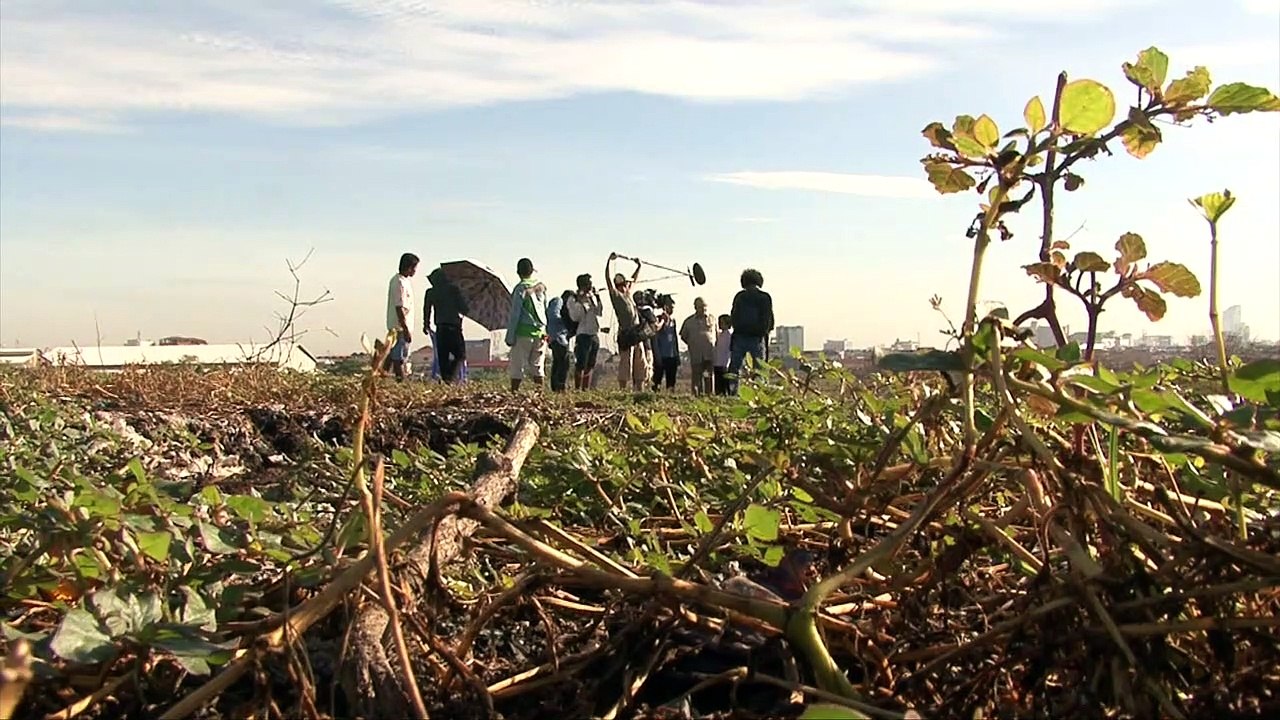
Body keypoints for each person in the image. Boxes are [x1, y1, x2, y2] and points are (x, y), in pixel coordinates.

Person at [605, 253, 652, 391]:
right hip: (626, 333)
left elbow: (634, 280)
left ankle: (639, 389)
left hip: (636, 332)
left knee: (640, 362)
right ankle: (623, 390)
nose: (626, 285)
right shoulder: (616, 295)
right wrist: (609, 261)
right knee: (626, 363)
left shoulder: (627, 294)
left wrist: (639, 266)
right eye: (623, 284)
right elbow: (607, 279)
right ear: (619, 285)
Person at [504, 258, 548, 391]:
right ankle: (539, 397)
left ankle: (514, 394)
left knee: (518, 367)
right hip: (540, 332)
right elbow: (544, 310)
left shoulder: (520, 289)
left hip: (523, 333)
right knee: (538, 368)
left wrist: (510, 337)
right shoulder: (541, 287)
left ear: (518, 272)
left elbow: (515, 314)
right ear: (532, 271)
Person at [728, 268, 774, 393]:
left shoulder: (740, 297)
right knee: (759, 369)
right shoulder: (765, 298)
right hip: (757, 338)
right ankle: (760, 393)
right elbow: (769, 320)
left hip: (740, 337)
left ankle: (733, 393)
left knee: (735, 368)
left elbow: (734, 316)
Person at [423, 267, 470, 384]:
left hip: (441, 329)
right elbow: (465, 309)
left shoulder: (430, 292)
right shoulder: (454, 290)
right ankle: (451, 378)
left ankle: (447, 380)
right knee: (460, 355)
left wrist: (426, 324)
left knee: (443, 358)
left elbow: (426, 310)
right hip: (454, 328)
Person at [567, 273, 605, 390]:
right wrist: (582, 301)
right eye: (588, 284)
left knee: (590, 364)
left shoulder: (591, 296)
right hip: (583, 334)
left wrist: (597, 297)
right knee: (581, 364)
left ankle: (585, 389)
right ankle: (578, 388)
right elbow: (575, 317)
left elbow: (599, 312)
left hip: (593, 333)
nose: (590, 286)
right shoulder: (573, 298)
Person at [385, 252, 418, 381]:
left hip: (401, 325)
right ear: (409, 267)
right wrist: (405, 329)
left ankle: (380, 379)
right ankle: (401, 382)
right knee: (398, 358)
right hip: (399, 327)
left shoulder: (404, 281)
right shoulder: (399, 282)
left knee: (391, 356)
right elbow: (400, 307)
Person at [680, 297, 716, 396]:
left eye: (704, 307)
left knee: (708, 376)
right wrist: (692, 343)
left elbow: (716, 334)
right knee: (697, 376)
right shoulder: (689, 321)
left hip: (709, 353)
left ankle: (709, 395)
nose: (703, 309)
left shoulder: (712, 319)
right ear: (695, 307)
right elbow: (683, 336)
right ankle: (697, 395)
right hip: (696, 354)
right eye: (700, 307)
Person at [546, 290, 573, 392]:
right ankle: (560, 386)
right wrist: (565, 321)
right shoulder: (558, 301)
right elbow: (553, 315)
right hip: (558, 337)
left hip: (557, 337)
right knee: (563, 363)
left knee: (558, 362)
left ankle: (556, 387)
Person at [651, 295, 680, 391]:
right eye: (670, 307)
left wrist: (677, 354)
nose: (672, 309)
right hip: (661, 355)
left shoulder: (673, 321)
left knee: (671, 381)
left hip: (672, 355)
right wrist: (663, 320)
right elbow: (656, 334)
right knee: (657, 380)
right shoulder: (658, 320)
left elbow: (674, 339)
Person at [713, 314, 732, 396]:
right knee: (718, 384)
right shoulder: (719, 335)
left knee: (724, 383)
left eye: (722, 322)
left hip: (724, 363)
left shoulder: (729, 336)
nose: (720, 324)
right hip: (717, 362)